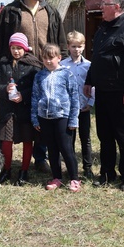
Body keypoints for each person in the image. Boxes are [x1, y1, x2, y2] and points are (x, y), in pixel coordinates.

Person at [0, 0, 67, 173]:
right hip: (17, 70)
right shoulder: (11, 11)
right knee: (9, 115)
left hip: (45, 71)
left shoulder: (51, 11)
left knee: (41, 116)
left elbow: (61, 42)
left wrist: (62, 65)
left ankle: (41, 157)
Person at [84, 0, 124, 191]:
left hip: (122, 94)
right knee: (105, 135)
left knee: (123, 136)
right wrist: (89, 80)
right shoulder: (103, 28)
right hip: (102, 92)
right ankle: (107, 173)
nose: (101, 7)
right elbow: (97, 58)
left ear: (117, 7)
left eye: (105, 4)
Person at [0, 33, 42, 185]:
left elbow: (37, 87)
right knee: (6, 140)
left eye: (19, 48)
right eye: (13, 48)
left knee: (27, 140)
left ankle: (24, 171)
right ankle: (6, 170)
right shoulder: (4, 64)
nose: (16, 51)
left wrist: (23, 96)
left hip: (25, 110)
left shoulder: (33, 66)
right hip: (7, 109)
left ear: (25, 48)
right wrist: (5, 89)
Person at [31, 44, 81, 192]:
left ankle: (74, 178)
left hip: (62, 116)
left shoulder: (67, 74)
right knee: (52, 149)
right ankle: (57, 177)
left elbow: (74, 97)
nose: (48, 61)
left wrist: (73, 119)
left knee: (66, 148)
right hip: (44, 117)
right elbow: (35, 97)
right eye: (45, 58)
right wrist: (34, 118)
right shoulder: (39, 76)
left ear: (59, 58)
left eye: (51, 58)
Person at [60, 31, 95, 180]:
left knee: (85, 138)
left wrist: (91, 102)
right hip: (69, 109)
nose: (77, 50)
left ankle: (87, 168)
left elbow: (93, 86)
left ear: (84, 46)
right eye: (73, 46)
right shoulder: (62, 65)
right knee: (70, 139)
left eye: (80, 46)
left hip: (84, 107)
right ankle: (71, 166)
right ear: (68, 46)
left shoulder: (89, 65)